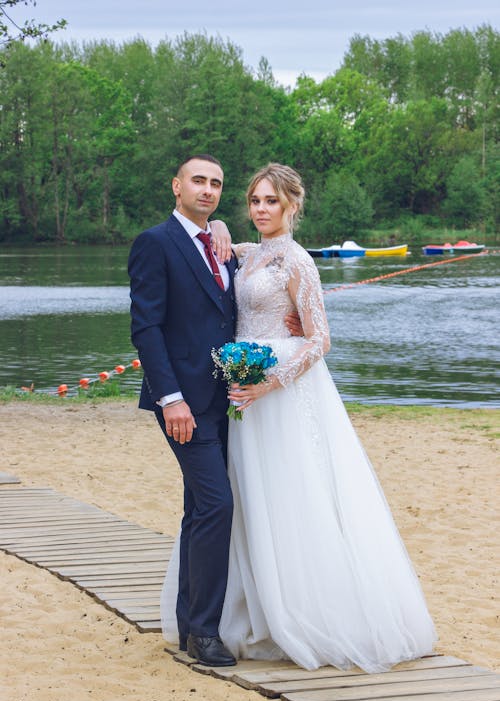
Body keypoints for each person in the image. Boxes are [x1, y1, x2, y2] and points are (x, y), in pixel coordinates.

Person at [162, 162, 437, 673]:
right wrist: (219, 226)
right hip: (241, 395)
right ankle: (246, 609)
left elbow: (320, 340)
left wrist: (269, 383)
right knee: (247, 500)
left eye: (271, 202)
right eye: (255, 201)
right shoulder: (247, 252)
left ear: (292, 206)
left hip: (279, 393)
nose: (261, 209)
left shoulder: (297, 262)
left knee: (293, 496)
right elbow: (217, 244)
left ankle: (308, 613)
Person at [129, 155, 301, 668]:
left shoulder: (224, 248)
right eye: (198, 181)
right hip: (182, 403)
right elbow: (147, 328)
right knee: (217, 505)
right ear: (176, 185)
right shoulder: (155, 244)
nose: (207, 190)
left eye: (216, 185)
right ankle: (205, 632)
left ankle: (187, 623)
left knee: (200, 509)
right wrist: (170, 398)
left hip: (227, 401)